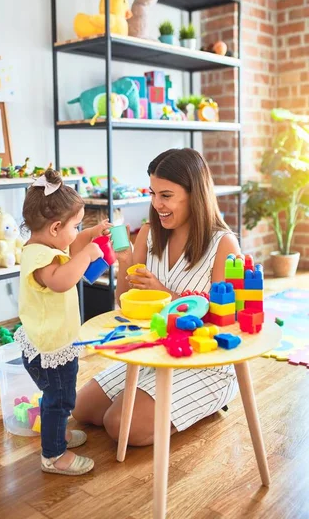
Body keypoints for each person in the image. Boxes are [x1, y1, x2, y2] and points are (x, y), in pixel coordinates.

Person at [73, 148, 240, 446]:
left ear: (195, 195)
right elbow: (124, 304)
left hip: (203, 361)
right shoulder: (151, 233)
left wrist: (165, 293)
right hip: (155, 352)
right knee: (82, 408)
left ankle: (209, 401)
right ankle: (150, 401)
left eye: (166, 195)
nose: (156, 204)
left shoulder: (223, 245)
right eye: (152, 193)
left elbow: (227, 321)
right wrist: (124, 263)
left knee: (119, 424)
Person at [15, 168, 109, 475]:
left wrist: (90, 235)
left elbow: (71, 245)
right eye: (75, 225)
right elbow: (62, 281)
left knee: (56, 398)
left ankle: (58, 434)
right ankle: (54, 455)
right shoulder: (44, 260)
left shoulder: (43, 246)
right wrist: (88, 255)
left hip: (47, 341)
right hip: (51, 347)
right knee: (60, 399)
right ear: (56, 227)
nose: (77, 231)